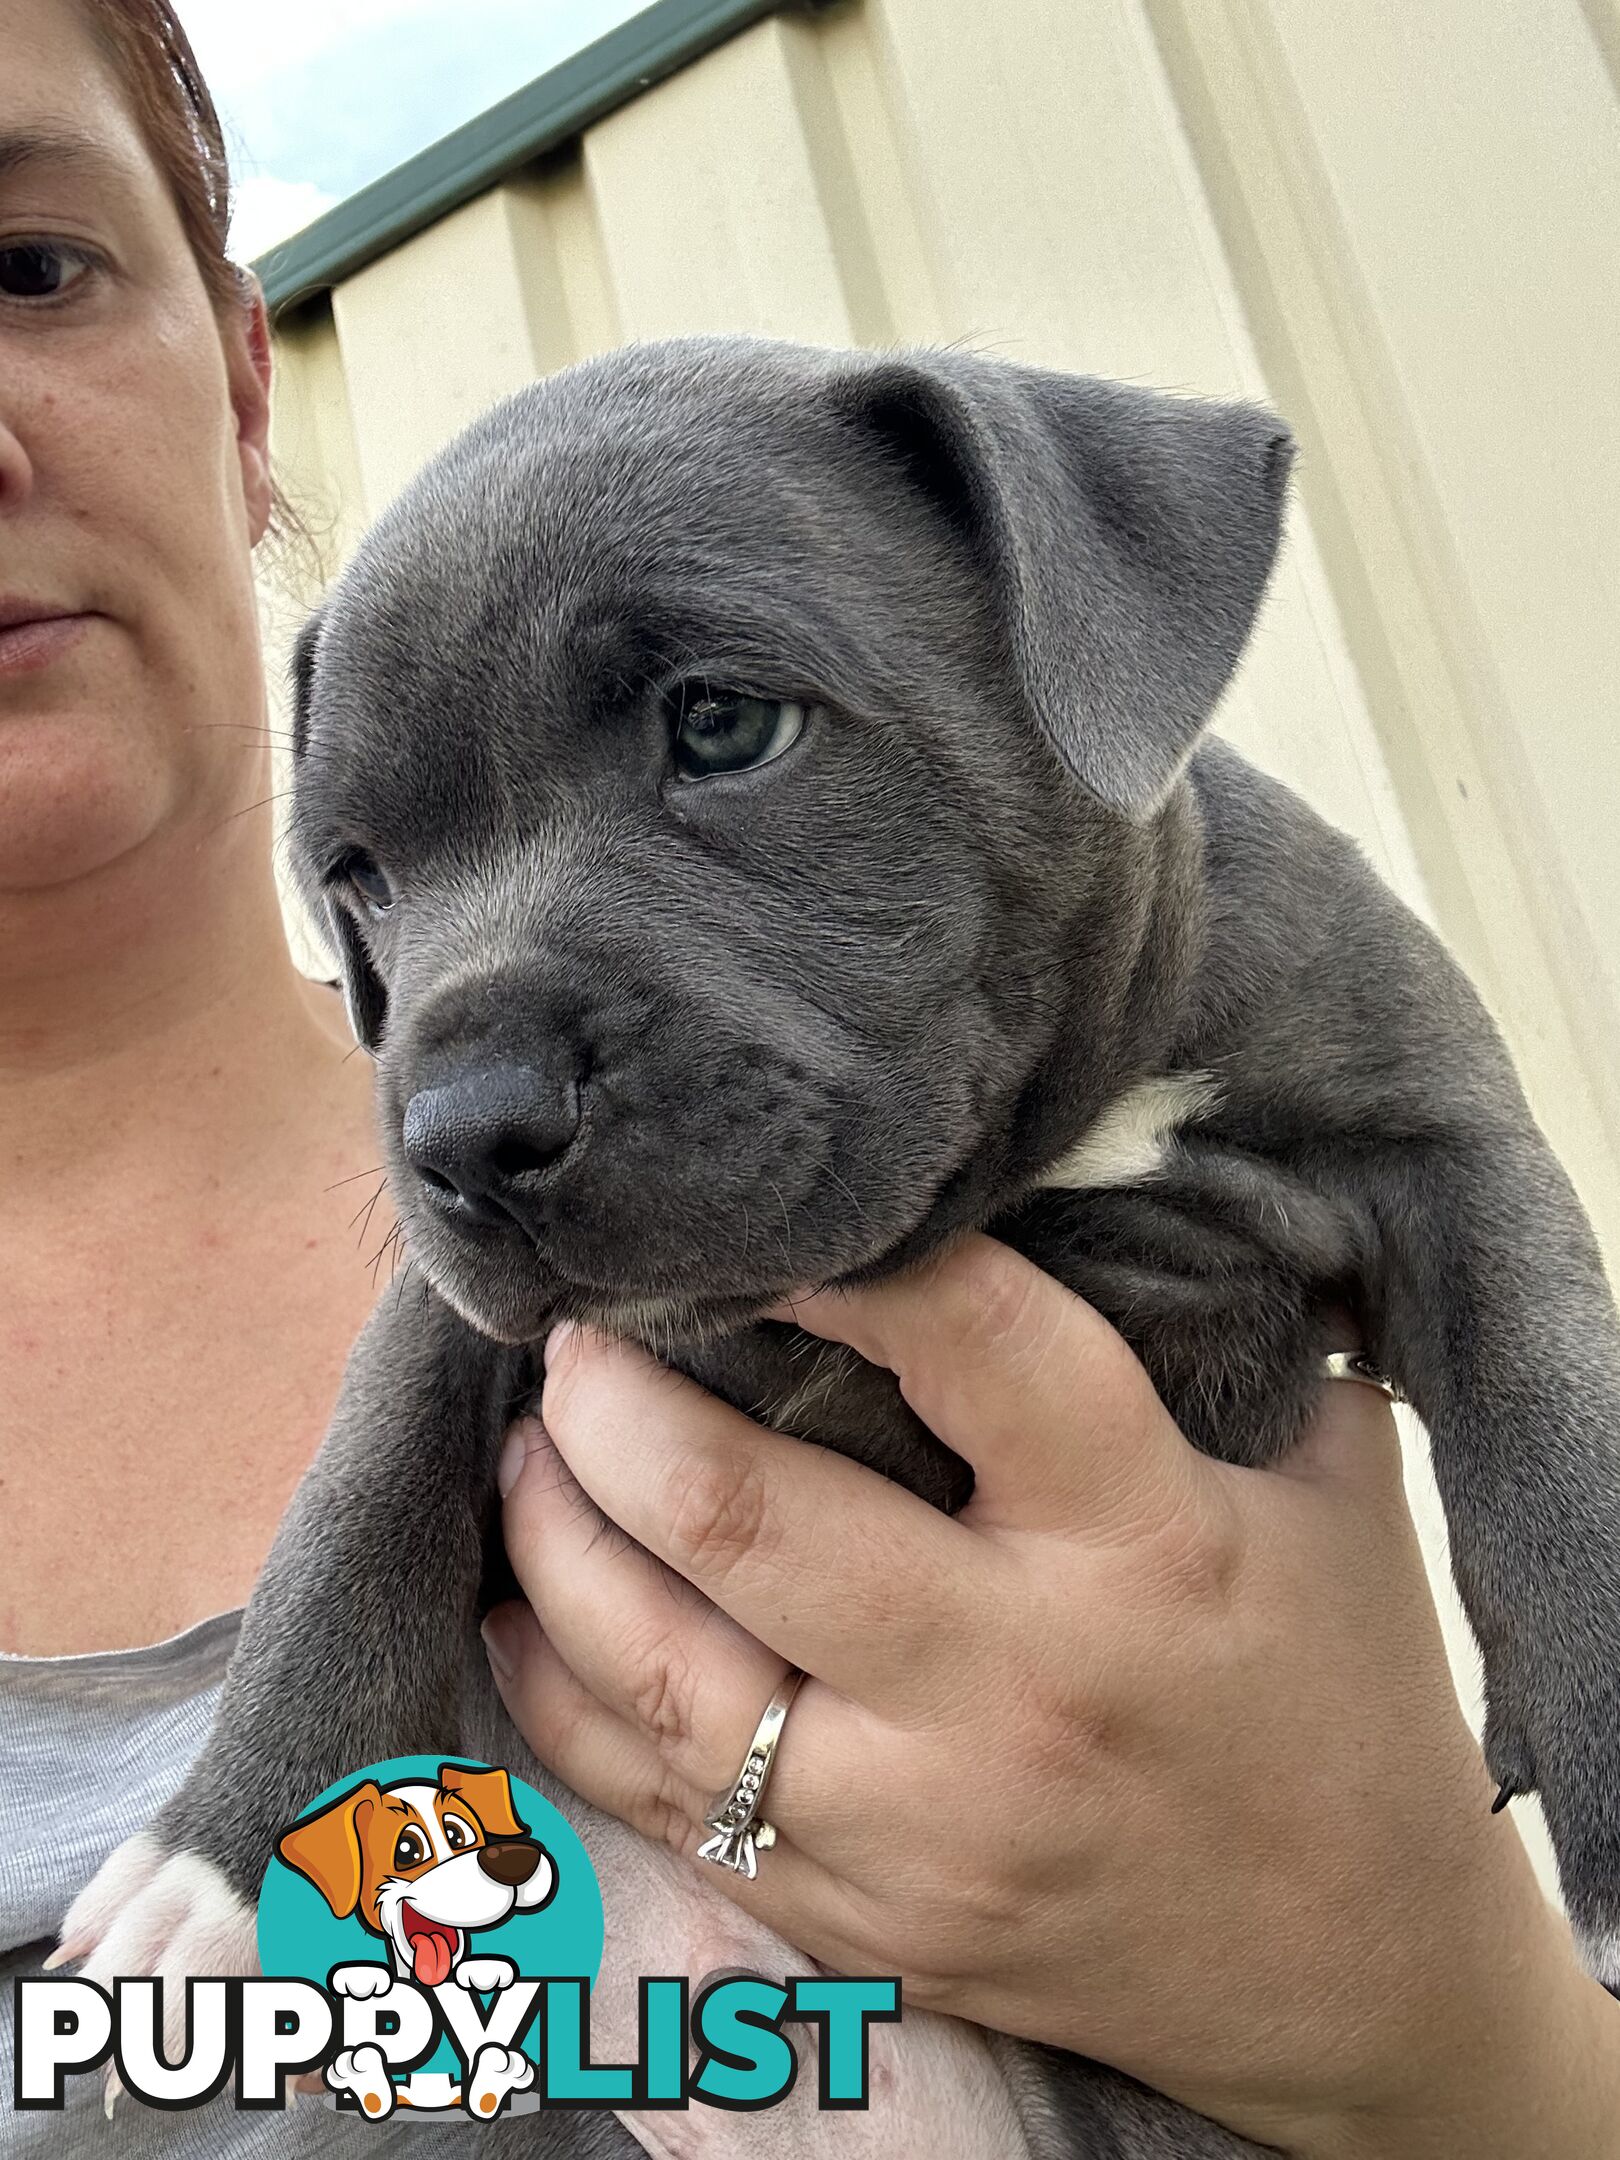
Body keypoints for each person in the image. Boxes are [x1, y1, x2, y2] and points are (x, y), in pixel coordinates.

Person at [1, 0, 1614, 2154]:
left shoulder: (1267, 960)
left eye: (26, 266)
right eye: (376, 879)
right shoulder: (480, 1254)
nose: (464, 1088)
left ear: (236, 353)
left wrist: (1427, 2002)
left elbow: (1462, 1209)